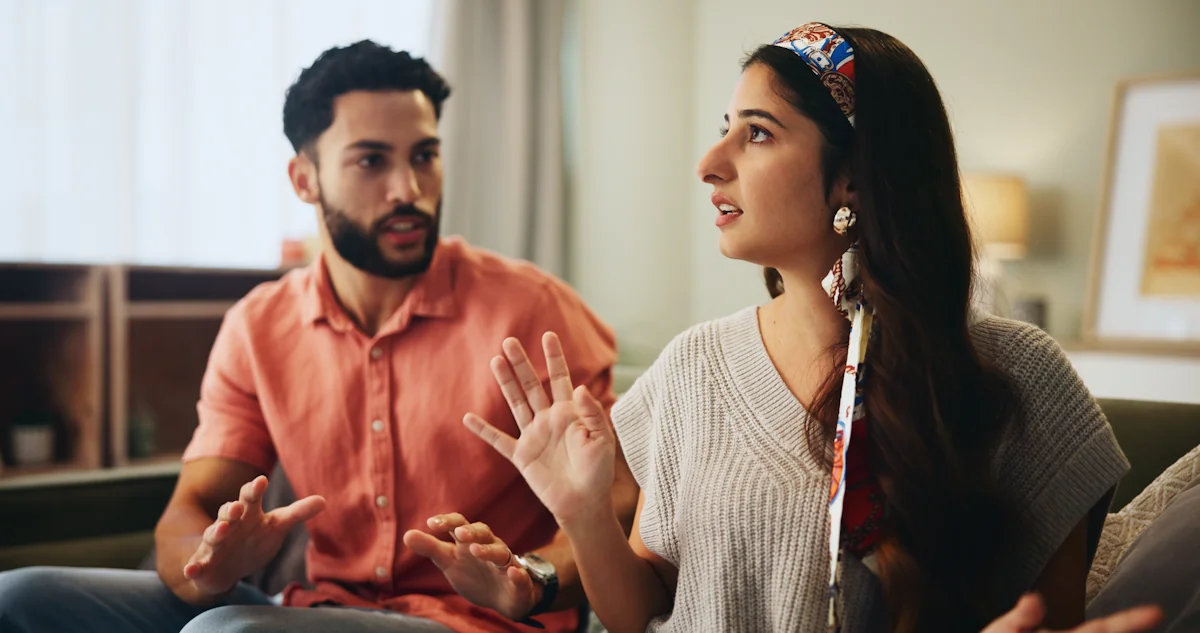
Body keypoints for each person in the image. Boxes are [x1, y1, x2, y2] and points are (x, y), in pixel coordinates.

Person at [454, 23, 1163, 633]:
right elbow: (641, 612)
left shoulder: (1017, 376)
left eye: (757, 133)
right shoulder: (692, 366)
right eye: (723, 130)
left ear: (854, 176)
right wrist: (582, 514)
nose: (710, 165)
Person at [0, 41, 636, 633]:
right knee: (23, 598)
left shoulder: (534, 309)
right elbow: (187, 514)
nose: (408, 190)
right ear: (304, 179)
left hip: (472, 621)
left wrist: (530, 577)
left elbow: (623, 512)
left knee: (227, 630)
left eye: (424, 155)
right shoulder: (258, 327)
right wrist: (212, 561)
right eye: (371, 160)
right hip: (311, 611)